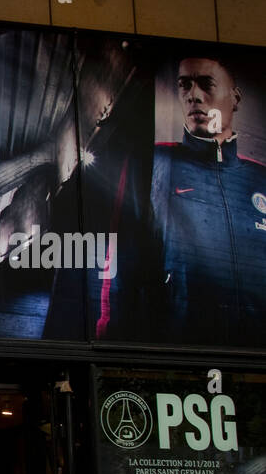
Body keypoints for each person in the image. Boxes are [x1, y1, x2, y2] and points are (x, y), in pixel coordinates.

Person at [97, 52, 266, 343]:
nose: (193, 96)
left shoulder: (260, 178)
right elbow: (121, 265)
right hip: (181, 351)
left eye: (206, 84)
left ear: (235, 98)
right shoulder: (154, 162)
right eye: (184, 85)